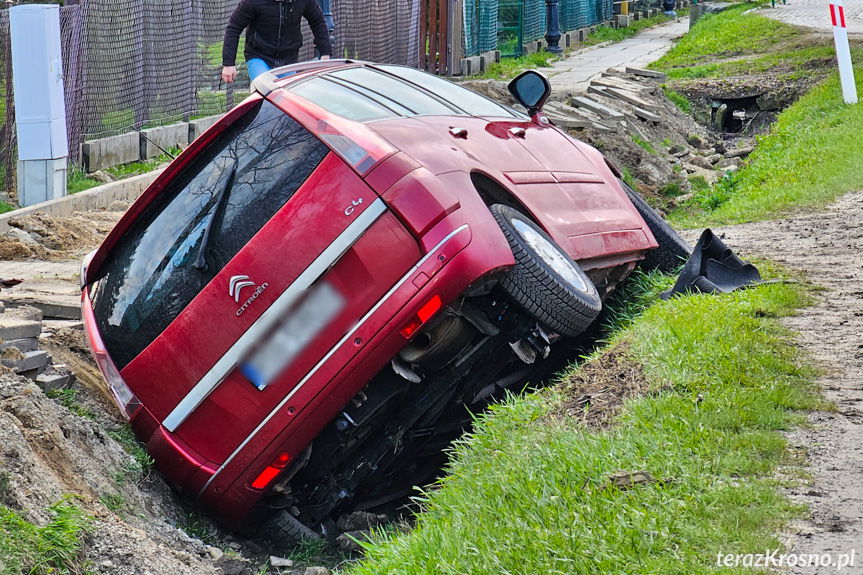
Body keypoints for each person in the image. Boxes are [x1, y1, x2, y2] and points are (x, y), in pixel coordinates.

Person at [221, 0, 332, 84]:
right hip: (259, 55)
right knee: (266, 91)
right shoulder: (253, 2)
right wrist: (228, 63)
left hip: (288, 58)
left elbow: (318, 22)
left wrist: (325, 54)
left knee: (287, 97)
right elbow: (234, 28)